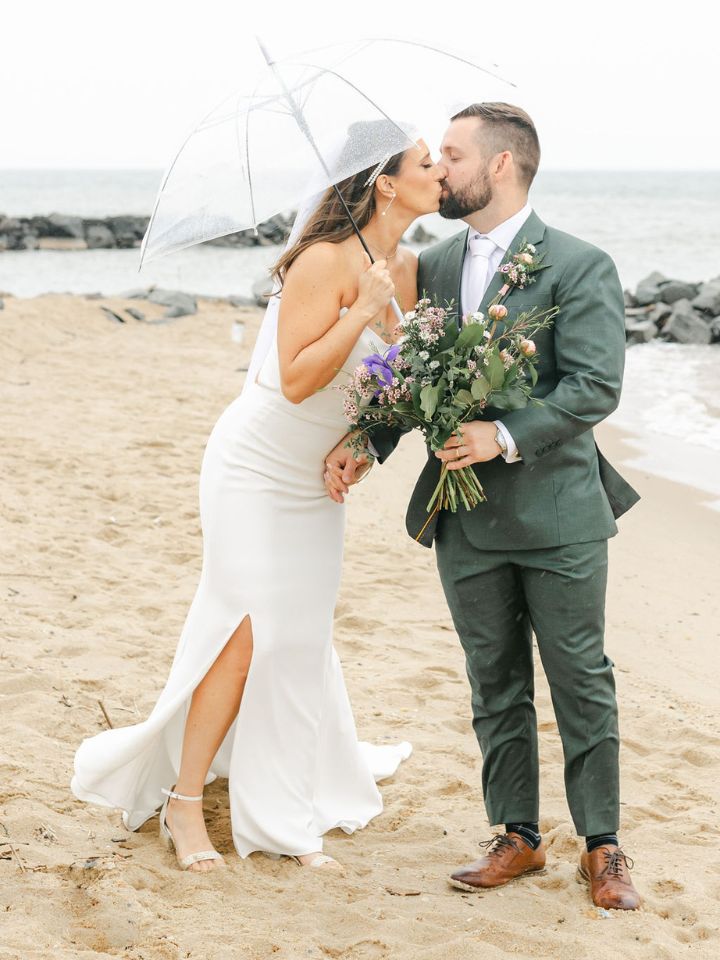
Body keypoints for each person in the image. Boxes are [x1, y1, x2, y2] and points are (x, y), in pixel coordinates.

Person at [70, 125, 445, 872]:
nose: (440, 171)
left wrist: (363, 448)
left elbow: (385, 394)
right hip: (255, 467)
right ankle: (182, 803)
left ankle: (285, 798)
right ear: (387, 184)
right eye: (426, 161)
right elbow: (298, 377)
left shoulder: (405, 270)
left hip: (315, 481)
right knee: (241, 632)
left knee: (299, 638)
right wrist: (363, 310)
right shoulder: (325, 261)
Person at [324, 103, 642, 909]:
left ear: (500, 166)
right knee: (492, 683)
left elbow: (594, 387)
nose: (440, 170)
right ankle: (517, 837)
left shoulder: (579, 264)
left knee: (581, 680)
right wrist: (367, 440)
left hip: (560, 516)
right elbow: (415, 373)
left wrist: (499, 435)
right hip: (462, 521)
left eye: (454, 156)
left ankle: (603, 846)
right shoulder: (429, 264)